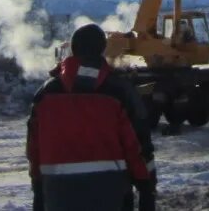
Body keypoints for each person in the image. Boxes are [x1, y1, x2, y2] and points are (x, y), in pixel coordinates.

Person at [27, 23, 156, 211]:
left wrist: (38, 193)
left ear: (72, 49)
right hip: (111, 195)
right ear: (103, 49)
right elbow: (139, 147)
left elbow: (34, 151)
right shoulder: (119, 91)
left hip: (57, 195)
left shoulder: (45, 94)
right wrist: (147, 190)